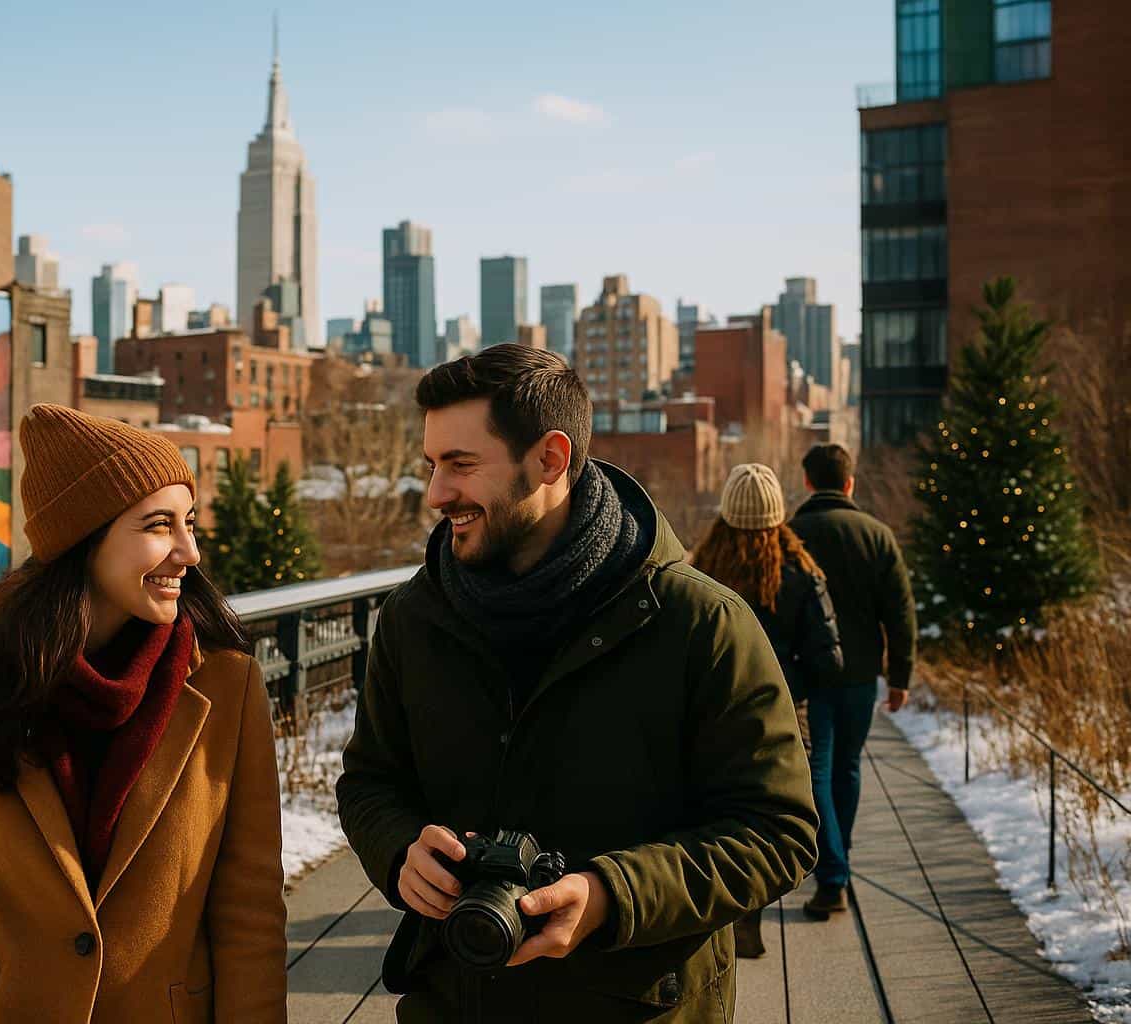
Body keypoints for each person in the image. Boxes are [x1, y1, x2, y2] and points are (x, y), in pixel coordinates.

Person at [335, 345, 818, 1023]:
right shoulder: (413, 618)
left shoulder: (701, 623)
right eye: (432, 465)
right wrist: (398, 851)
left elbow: (778, 830)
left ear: (550, 459)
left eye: (461, 465)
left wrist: (612, 894)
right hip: (454, 999)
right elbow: (369, 782)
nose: (437, 493)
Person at [0, 403, 287, 1023]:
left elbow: (249, 907)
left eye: (189, 522)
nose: (189, 552)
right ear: (85, 538)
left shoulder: (228, 689)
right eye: (159, 526)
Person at [689, 462, 843, 957]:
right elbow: (828, 659)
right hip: (783, 712)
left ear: (727, 513)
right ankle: (765, 895)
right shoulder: (802, 573)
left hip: (712, 708)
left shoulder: (701, 571)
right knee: (774, 812)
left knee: (717, 806)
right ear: (778, 515)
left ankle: (729, 910)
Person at [788, 443, 917, 921]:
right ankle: (838, 866)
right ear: (849, 483)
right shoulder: (877, 535)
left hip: (811, 674)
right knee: (847, 767)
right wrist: (899, 675)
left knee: (816, 771)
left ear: (807, 481)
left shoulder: (793, 534)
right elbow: (899, 612)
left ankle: (832, 873)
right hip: (862, 674)